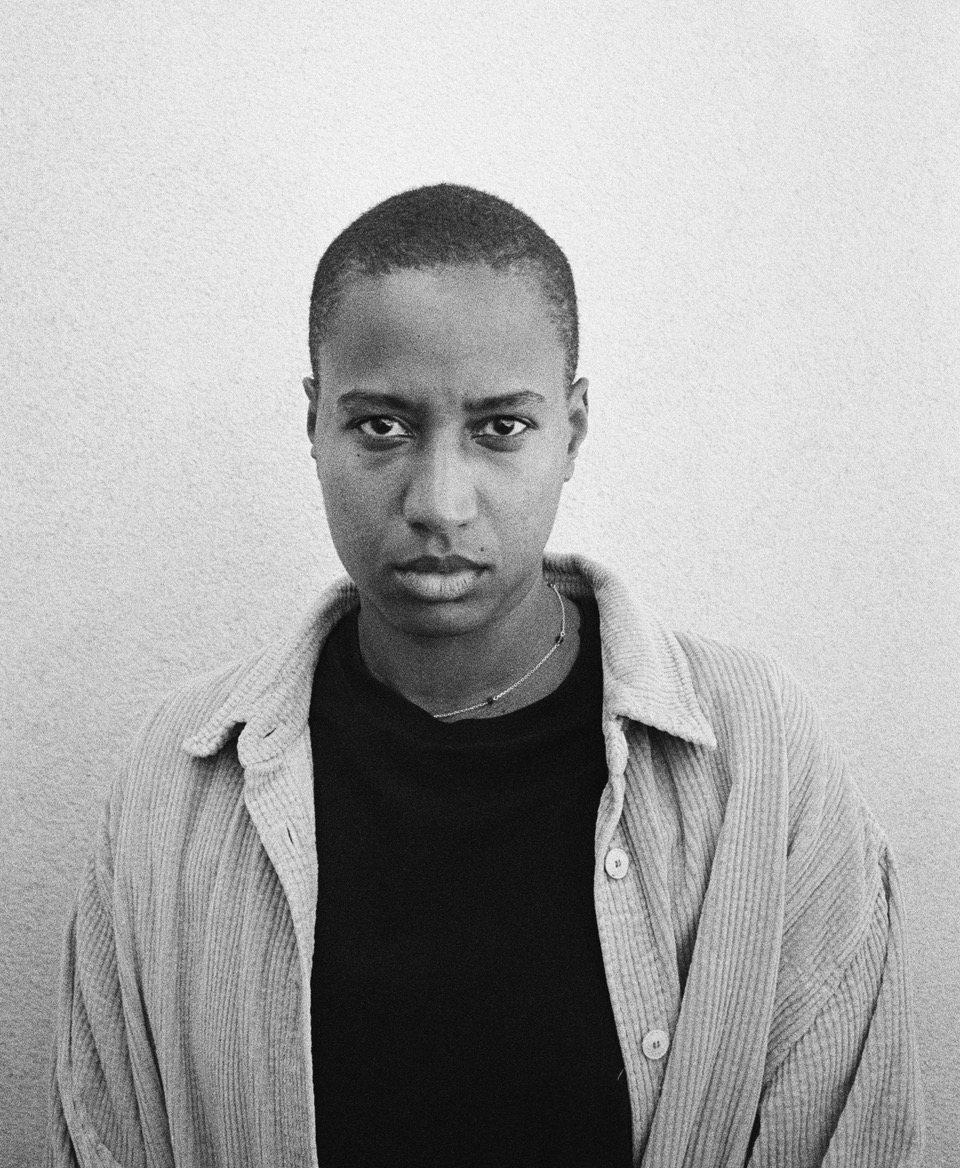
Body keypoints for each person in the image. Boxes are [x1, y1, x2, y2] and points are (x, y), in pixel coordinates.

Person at [47, 184, 922, 1167]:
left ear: (573, 429)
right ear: (315, 422)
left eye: (501, 427)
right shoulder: (176, 783)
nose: (440, 502)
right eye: (382, 427)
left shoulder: (758, 756)